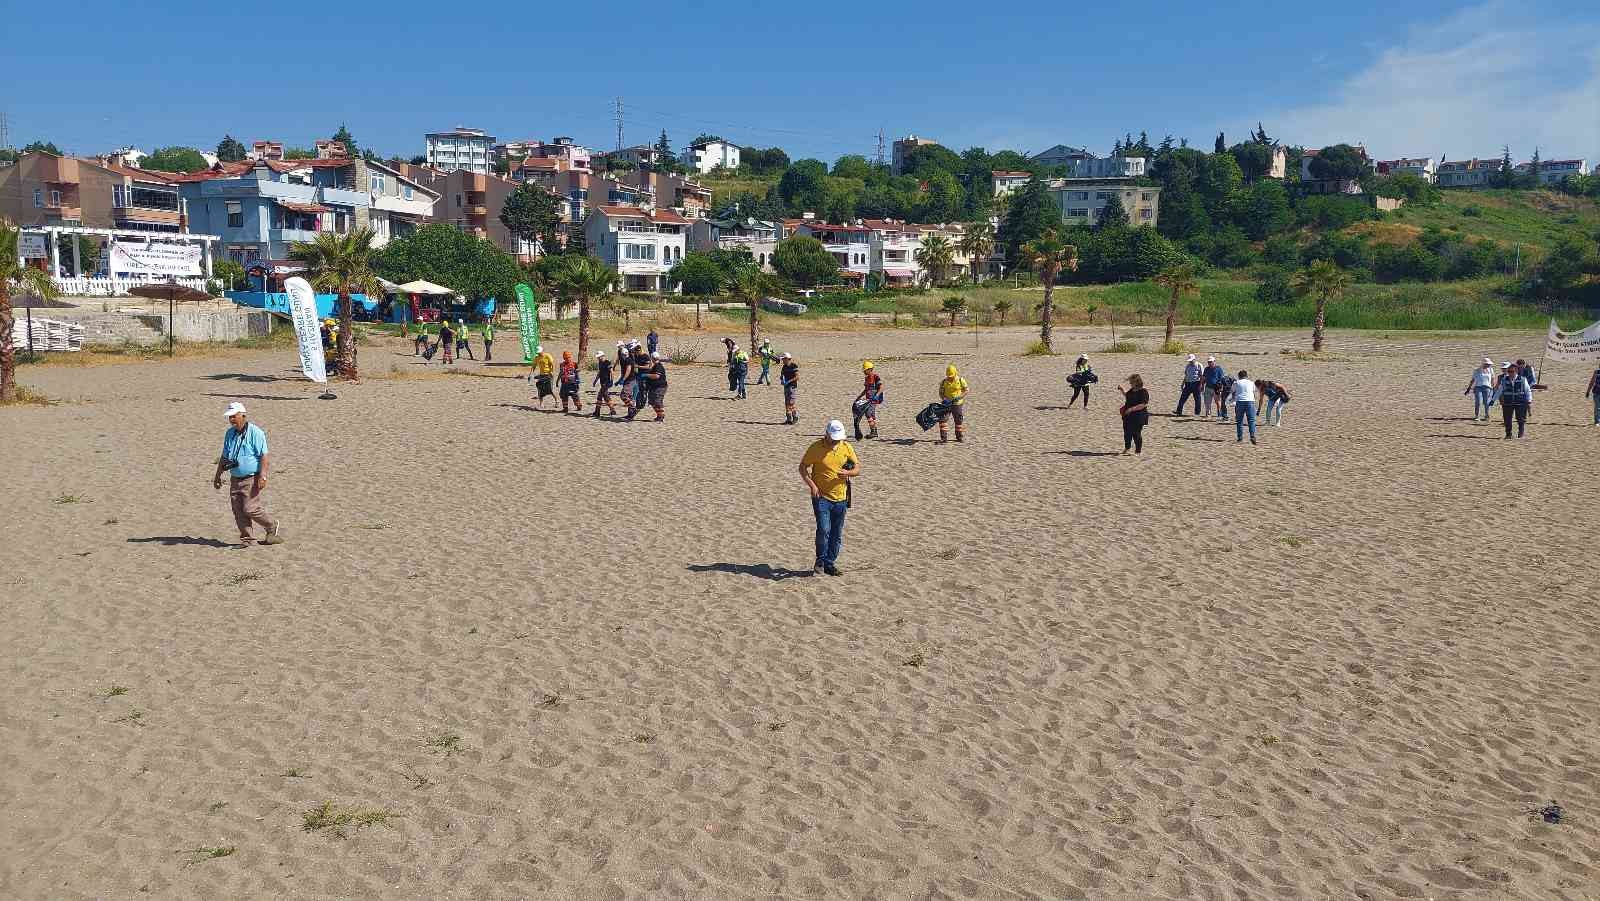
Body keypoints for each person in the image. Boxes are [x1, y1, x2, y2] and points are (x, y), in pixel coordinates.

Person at [213, 402, 281, 548]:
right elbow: (224, 456)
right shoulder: (229, 433)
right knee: (238, 510)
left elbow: (264, 456)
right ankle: (247, 540)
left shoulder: (256, 432)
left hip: (251, 477)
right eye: (229, 417)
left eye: (234, 416)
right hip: (235, 477)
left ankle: (271, 525)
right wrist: (217, 475)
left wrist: (263, 476)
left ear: (243, 415)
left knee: (250, 508)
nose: (231, 419)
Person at [799, 420, 861, 577]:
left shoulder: (846, 447)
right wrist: (812, 486)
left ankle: (829, 563)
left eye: (838, 438)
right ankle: (820, 560)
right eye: (833, 437)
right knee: (824, 530)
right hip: (822, 497)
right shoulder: (816, 448)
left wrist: (847, 473)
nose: (836, 440)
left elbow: (857, 468)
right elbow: (802, 467)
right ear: (826, 433)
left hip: (841, 497)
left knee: (836, 533)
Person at [1492, 361, 1532, 439]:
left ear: (1516, 371)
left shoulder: (1523, 379)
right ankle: (1508, 434)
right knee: (1507, 419)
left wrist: (1529, 400)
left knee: (1521, 419)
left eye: (1512, 371)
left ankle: (1520, 434)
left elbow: (1528, 390)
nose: (1510, 373)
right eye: (1509, 371)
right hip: (1508, 402)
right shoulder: (1504, 380)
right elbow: (1499, 390)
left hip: (1520, 402)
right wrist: (1493, 400)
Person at [1117, 374, 1150, 454]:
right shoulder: (1132, 390)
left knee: (1136, 433)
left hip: (1139, 416)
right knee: (1127, 433)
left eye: (1132, 382)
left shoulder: (1143, 391)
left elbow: (1144, 404)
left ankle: (1138, 451)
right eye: (1130, 382)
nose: (1130, 383)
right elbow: (1127, 396)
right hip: (1128, 415)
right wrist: (1122, 390)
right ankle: (1127, 448)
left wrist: (1132, 409)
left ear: (1137, 382)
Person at [937, 364, 968, 444]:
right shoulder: (944, 382)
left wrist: (960, 397)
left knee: (958, 421)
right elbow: (941, 392)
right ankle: (944, 439)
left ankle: (959, 437)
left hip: (957, 404)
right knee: (942, 420)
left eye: (951, 376)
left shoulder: (960, 380)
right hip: (946, 404)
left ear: (955, 373)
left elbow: (966, 390)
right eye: (949, 376)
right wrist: (944, 399)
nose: (950, 377)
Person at [853, 361, 884, 440]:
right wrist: (859, 397)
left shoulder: (876, 377)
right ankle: (874, 431)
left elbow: (881, 387)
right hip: (868, 399)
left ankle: (873, 432)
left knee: (868, 414)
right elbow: (866, 390)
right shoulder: (866, 378)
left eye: (865, 370)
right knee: (871, 415)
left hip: (873, 400)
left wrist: (876, 396)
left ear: (870, 369)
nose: (864, 371)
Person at [637, 351, 668, 422]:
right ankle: (659, 415)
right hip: (653, 387)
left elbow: (656, 376)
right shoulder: (654, 366)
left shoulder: (658, 366)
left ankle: (661, 416)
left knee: (657, 401)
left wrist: (646, 375)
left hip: (660, 387)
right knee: (651, 401)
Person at [1231, 369, 1258, 444]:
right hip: (1250, 401)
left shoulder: (1236, 382)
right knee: (1251, 420)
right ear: (1246, 376)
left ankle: (1240, 438)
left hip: (1240, 401)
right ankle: (1252, 436)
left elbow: (1232, 391)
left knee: (1239, 421)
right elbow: (1253, 391)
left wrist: (1233, 398)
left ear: (1239, 376)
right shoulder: (1251, 382)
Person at [780, 353, 800, 425]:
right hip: (786, 387)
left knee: (791, 403)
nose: (783, 360)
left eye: (784, 359)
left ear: (788, 359)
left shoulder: (794, 366)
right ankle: (788, 419)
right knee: (786, 403)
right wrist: (782, 380)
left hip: (792, 387)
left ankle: (795, 417)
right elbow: (782, 375)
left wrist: (789, 381)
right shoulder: (784, 367)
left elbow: (797, 377)